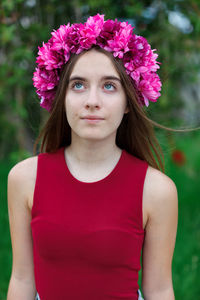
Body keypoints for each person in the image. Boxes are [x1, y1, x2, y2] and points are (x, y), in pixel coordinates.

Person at [7, 14, 178, 300]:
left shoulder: (157, 190)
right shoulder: (24, 178)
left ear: (129, 102)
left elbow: (159, 289)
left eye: (109, 86)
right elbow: (22, 279)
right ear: (60, 96)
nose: (92, 100)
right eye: (78, 85)